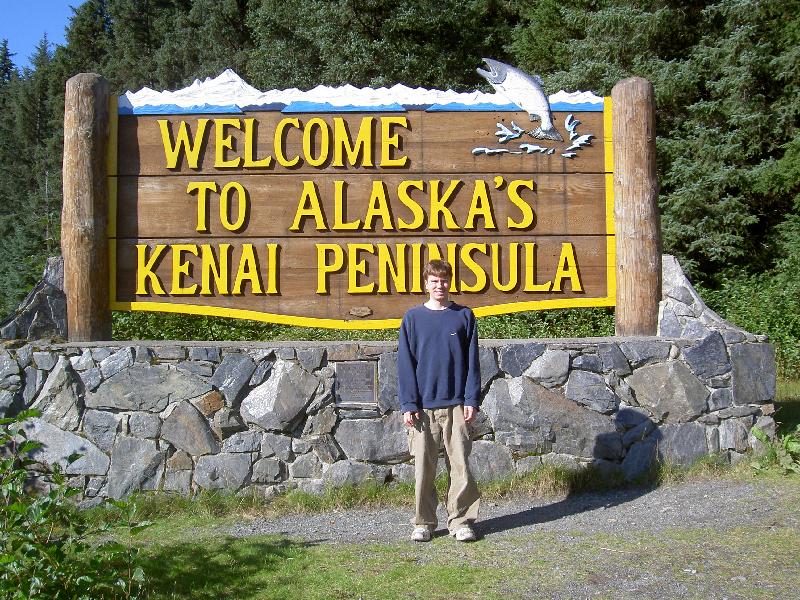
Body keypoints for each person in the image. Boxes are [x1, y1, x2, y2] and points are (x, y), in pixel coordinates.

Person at [398, 259, 481, 542]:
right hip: (423, 407)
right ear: (426, 284)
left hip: (457, 404)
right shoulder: (412, 318)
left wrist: (471, 399)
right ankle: (423, 522)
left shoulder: (464, 316)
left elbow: (472, 362)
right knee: (424, 468)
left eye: (444, 280)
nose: (439, 285)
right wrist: (409, 404)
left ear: (450, 283)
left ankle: (461, 522)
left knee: (461, 466)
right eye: (434, 280)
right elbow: (405, 364)